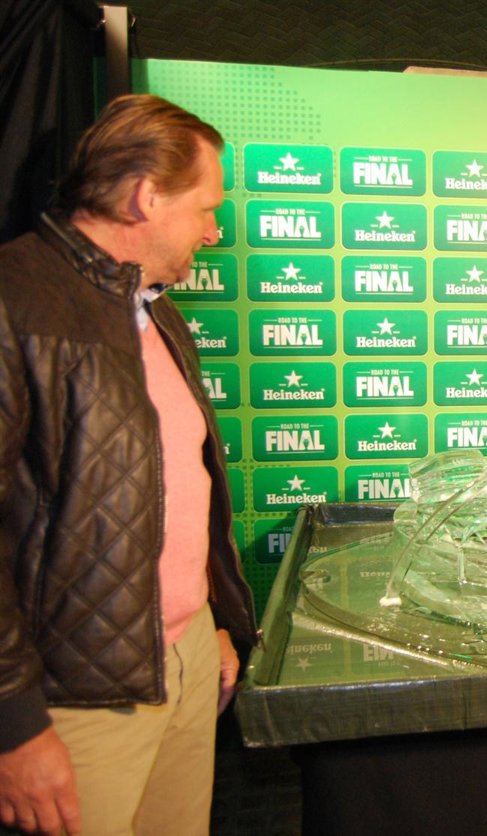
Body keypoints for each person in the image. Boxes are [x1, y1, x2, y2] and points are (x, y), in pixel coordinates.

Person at [0, 95, 257, 835]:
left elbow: (179, 486)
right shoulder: (15, 300)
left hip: (183, 663)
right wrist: (15, 723)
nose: (214, 231)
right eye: (206, 208)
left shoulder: (157, 309)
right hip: (73, 702)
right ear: (147, 197)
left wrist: (210, 621)